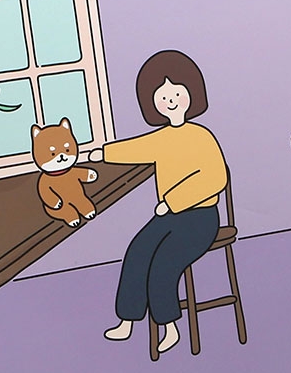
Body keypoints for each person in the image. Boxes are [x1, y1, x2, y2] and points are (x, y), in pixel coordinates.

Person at [90, 50, 227, 354]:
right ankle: (127, 319)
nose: (171, 101)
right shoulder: (161, 137)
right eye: (163, 97)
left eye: (176, 93)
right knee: (137, 251)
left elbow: (215, 178)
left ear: (191, 92)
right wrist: (103, 153)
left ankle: (170, 327)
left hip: (201, 217)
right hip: (168, 217)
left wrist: (174, 201)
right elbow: (135, 148)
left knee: (163, 264)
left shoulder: (201, 137)